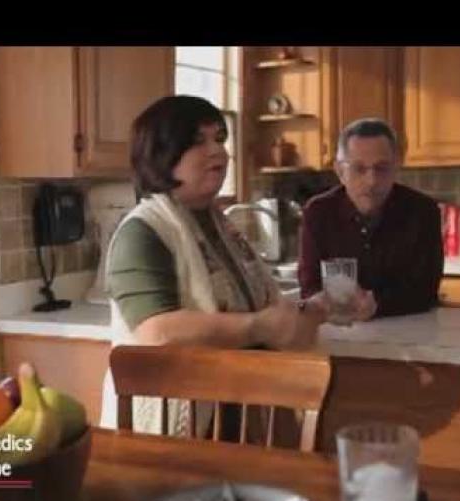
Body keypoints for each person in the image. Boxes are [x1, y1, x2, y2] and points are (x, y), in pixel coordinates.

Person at [100, 95, 327, 436]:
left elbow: (262, 308)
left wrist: (318, 308)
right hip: (170, 433)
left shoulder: (221, 225)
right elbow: (156, 333)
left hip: (236, 420)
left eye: (220, 139)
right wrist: (257, 328)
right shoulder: (144, 231)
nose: (218, 151)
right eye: (197, 141)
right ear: (162, 155)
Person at [298, 118, 444, 320]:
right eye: (359, 168)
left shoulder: (424, 212)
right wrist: (324, 303)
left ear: (396, 167)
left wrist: (377, 304)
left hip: (409, 332)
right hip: (338, 332)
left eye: (382, 168)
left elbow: (426, 289)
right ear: (340, 171)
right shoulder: (317, 213)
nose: (371, 181)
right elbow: (309, 287)